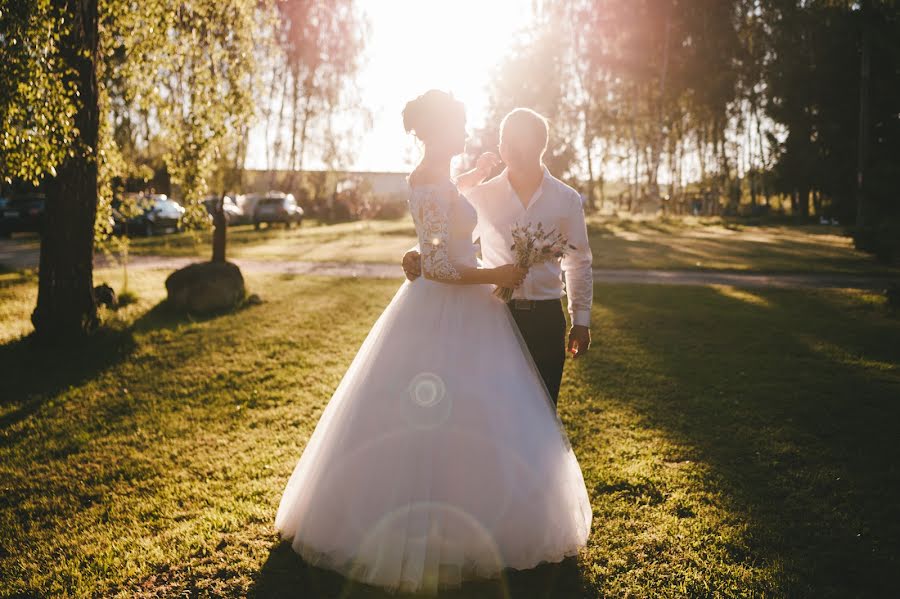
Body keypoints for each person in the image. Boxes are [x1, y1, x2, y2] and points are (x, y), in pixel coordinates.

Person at [274, 90, 591, 594]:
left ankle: (476, 515)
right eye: (460, 126)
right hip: (450, 308)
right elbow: (441, 263)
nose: (467, 134)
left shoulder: (442, 178)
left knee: (481, 415)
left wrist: (436, 229)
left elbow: (441, 223)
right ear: (438, 130)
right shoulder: (427, 179)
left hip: (474, 310)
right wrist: (497, 272)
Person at [403, 108, 594, 405]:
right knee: (496, 412)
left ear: (539, 146)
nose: (507, 148)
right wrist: (417, 253)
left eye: (518, 140)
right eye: (504, 140)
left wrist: (580, 320)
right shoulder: (482, 195)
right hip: (495, 316)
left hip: (546, 319)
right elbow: (450, 238)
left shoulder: (566, 199)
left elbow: (578, 262)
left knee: (543, 410)